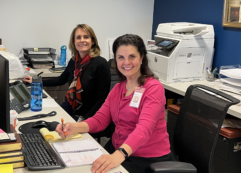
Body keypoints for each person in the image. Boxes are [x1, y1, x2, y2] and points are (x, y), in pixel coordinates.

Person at [56, 34, 173, 173]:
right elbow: (100, 120)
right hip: (119, 151)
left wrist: (119, 154)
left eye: (132, 56)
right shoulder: (118, 88)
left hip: (146, 159)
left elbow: (144, 129)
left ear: (142, 57)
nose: (126, 62)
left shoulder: (154, 88)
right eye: (121, 57)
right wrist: (73, 127)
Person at [23, 24, 111, 121]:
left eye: (86, 37)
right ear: (73, 42)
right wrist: (37, 81)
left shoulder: (100, 63)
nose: (82, 40)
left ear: (93, 41)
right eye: (78, 37)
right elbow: (61, 80)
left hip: (88, 115)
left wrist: (84, 121)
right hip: (71, 107)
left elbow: (102, 100)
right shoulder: (74, 61)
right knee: (47, 120)